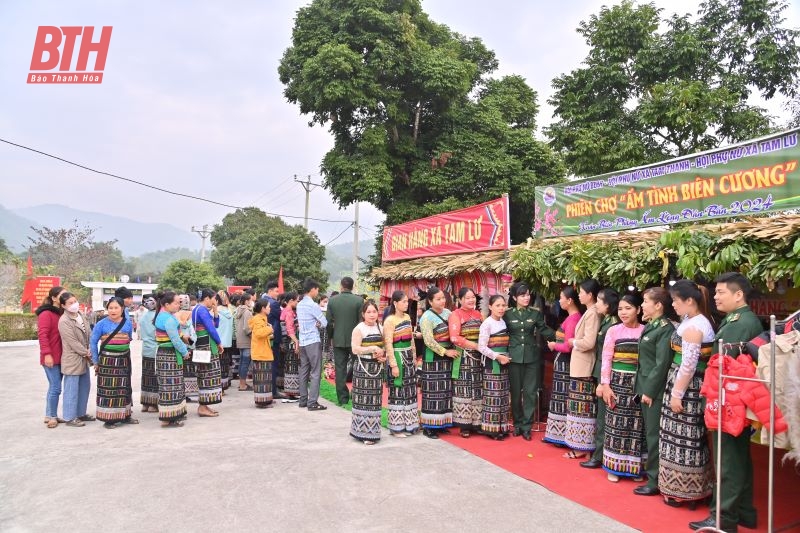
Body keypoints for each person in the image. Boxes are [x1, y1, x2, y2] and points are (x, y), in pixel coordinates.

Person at [689, 273, 762, 533]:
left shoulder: (740, 323)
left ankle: (722, 518)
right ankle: (744, 512)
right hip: (736, 400)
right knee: (738, 457)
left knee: (728, 460)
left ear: (738, 294)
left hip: (730, 400)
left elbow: (722, 364)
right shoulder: (737, 320)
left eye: (720, 292)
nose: (715, 297)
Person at [657, 280, 715, 507]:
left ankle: (688, 491)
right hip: (682, 382)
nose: (673, 305)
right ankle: (682, 489)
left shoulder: (695, 326)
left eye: (675, 301)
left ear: (690, 301)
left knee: (687, 438)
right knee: (682, 437)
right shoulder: (692, 321)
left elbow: (689, 364)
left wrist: (677, 394)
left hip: (688, 387)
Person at [631, 287, 676, 495]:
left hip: (653, 390)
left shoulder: (665, 328)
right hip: (645, 386)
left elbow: (661, 364)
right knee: (649, 433)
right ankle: (652, 475)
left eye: (645, 301)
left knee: (653, 435)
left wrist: (649, 390)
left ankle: (654, 480)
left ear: (658, 305)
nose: (642, 305)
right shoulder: (653, 326)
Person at [599, 293, 646, 482]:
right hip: (617, 381)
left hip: (637, 383)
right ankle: (614, 466)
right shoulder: (613, 331)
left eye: (628, 308)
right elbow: (606, 358)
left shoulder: (645, 330)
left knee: (636, 425)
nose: (623, 313)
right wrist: (605, 384)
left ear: (638, 310)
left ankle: (635, 468)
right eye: (620, 309)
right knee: (615, 424)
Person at [504, 282, 556, 441]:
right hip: (513, 357)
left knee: (530, 393)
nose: (526, 298)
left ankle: (527, 426)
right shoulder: (507, 314)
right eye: (522, 295)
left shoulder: (535, 313)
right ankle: (517, 424)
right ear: (514, 297)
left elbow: (544, 329)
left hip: (532, 358)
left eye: (528, 295)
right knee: (515, 391)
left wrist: (562, 337)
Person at [581, 288, 620, 468]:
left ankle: (598, 455)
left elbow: (606, 354)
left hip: (606, 375)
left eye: (599, 300)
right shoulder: (607, 321)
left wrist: (603, 380)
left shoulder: (612, 324)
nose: (596, 304)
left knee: (603, 417)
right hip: (601, 373)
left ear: (607, 305)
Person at [564, 279, 602, 458]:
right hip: (580, 365)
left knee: (583, 408)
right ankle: (580, 446)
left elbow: (589, 342)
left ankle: (582, 447)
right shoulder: (589, 312)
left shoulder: (593, 313)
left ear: (590, 295)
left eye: (581, 292)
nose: (578, 295)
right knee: (579, 407)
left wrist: (573, 342)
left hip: (585, 366)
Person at [544, 286, 582, 446]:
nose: (559, 301)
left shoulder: (573, 319)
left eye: (561, 297)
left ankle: (561, 435)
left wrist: (554, 345)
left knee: (562, 396)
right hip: (562, 363)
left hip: (565, 362)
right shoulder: (571, 317)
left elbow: (568, 346)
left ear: (569, 300)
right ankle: (558, 434)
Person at [90, 297, 136, 429]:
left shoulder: (127, 323)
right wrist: (96, 362)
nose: (113, 310)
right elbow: (93, 342)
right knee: (109, 389)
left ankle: (125, 415)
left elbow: (129, 339)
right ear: (107, 309)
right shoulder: (101, 324)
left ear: (122, 309)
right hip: (107, 361)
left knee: (124, 388)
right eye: (110, 308)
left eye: (116, 308)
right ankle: (109, 419)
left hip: (124, 360)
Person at [418, 286, 458, 438]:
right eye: (438, 299)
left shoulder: (449, 313)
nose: (442, 301)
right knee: (432, 392)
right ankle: (429, 426)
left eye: (443, 298)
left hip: (447, 358)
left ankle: (441, 423)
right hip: (433, 358)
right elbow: (428, 340)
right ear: (430, 301)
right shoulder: (426, 317)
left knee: (445, 391)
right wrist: (445, 351)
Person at [448, 287, 484, 438]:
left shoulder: (478, 314)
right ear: (460, 300)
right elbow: (454, 337)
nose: (471, 300)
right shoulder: (455, 315)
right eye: (467, 298)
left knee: (477, 389)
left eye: (473, 297)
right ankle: (464, 425)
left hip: (478, 358)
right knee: (464, 390)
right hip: (463, 358)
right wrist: (476, 346)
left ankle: (477, 423)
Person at [350, 300, 386, 445]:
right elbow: (355, 349)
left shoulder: (381, 328)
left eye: (374, 312)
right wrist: (372, 348)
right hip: (362, 368)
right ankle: (361, 432)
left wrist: (383, 356)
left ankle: (373, 432)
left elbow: (385, 347)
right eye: (369, 312)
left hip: (376, 368)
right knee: (363, 400)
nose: (372, 315)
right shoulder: (359, 329)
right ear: (363, 314)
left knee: (375, 400)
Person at [383, 290, 418, 436]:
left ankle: (410, 425)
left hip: (408, 357)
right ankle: (396, 428)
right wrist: (393, 364)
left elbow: (411, 339)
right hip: (397, 357)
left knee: (409, 391)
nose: (406, 304)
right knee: (397, 391)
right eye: (403, 301)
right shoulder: (389, 321)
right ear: (395, 303)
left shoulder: (408, 317)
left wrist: (414, 357)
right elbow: (388, 344)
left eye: (406, 301)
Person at [477, 294, 512, 440]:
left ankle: (502, 427)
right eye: (497, 305)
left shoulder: (504, 322)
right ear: (490, 307)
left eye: (503, 305)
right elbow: (481, 347)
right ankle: (491, 429)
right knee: (493, 395)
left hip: (504, 362)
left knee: (503, 396)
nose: (501, 308)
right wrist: (497, 357)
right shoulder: (487, 323)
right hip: (492, 363)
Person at [326, 277, 364, 405]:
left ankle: (342, 398)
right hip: (356, 341)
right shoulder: (359, 301)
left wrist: (330, 338)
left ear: (341, 286)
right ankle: (356, 393)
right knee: (358, 367)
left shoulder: (332, 301)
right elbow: (361, 322)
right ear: (352, 287)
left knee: (340, 369)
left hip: (338, 339)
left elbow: (329, 323)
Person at [57, 292, 94, 427]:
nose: (74, 304)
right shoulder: (64, 321)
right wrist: (86, 352)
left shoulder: (81, 315)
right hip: (73, 358)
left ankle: (80, 413)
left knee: (84, 387)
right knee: (71, 389)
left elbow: (89, 332)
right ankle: (69, 417)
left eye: (75, 301)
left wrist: (91, 348)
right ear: (63, 306)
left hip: (84, 357)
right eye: (70, 303)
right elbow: (72, 341)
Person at [153, 291, 189, 427]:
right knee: (171, 385)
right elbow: (175, 339)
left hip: (164, 353)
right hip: (170, 355)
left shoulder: (162, 315)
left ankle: (168, 416)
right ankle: (170, 417)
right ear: (167, 304)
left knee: (166, 385)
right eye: (176, 303)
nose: (178, 305)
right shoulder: (168, 318)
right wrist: (185, 352)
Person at [36, 286, 66, 428]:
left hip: (61, 356)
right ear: (54, 298)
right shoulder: (46, 314)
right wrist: (47, 354)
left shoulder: (62, 313)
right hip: (51, 357)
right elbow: (42, 335)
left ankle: (49, 414)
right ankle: (53, 416)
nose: (65, 296)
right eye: (62, 294)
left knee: (53, 386)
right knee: (56, 387)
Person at [296, 278, 328, 411]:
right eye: (317, 289)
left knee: (304, 370)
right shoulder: (313, 305)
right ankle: (313, 402)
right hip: (313, 341)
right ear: (313, 289)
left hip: (303, 341)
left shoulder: (299, 304)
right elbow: (324, 322)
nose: (318, 292)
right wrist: (318, 324)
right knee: (315, 371)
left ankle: (303, 400)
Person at [192, 288, 225, 417]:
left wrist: (215, 309)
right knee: (207, 375)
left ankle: (204, 406)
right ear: (206, 298)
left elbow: (216, 324)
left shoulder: (198, 310)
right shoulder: (201, 310)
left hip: (202, 345)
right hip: (206, 346)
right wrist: (218, 342)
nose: (214, 302)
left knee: (204, 374)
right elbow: (212, 329)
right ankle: (202, 406)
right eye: (213, 299)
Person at [249, 298, 275, 408]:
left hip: (264, 352)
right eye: (268, 306)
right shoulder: (258, 319)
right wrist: (270, 329)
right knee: (262, 380)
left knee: (265, 379)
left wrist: (269, 334)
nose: (270, 308)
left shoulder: (262, 318)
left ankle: (266, 399)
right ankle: (261, 402)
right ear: (263, 308)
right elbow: (259, 333)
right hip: (260, 354)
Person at [262, 281, 285, 400]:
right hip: (273, 336)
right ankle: (273, 391)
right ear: (270, 291)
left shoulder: (262, 301)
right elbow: (281, 317)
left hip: (265, 336)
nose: (278, 293)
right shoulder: (273, 304)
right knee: (273, 364)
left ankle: (269, 389)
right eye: (276, 291)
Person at [138, 294, 159, 413]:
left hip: (145, 349)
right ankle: (153, 405)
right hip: (155, 350)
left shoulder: (144, 316)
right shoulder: (157, 317)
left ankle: (145, 404)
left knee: (146, 376)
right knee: (154, 377)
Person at [177, 294, 199, 402]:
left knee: (181, 372)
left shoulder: (174, 315)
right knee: (191, 372)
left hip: (179, 348)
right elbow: (192, 333)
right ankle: (191, 394)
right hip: (190, 347)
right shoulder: (191, 313)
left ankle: (182, 394)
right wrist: (191, 343)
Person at [280, 292, 300, 400]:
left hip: (286, 341)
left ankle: (290, 391)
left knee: (289, 365)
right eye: (297, 300)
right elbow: (290, 329)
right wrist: (296, 341)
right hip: (290, 341)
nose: (297, 303)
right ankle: (291, 392)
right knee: (292, 366)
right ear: (291, 301)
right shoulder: (288, 312)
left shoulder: (285, 311)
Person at [215, 291, 234, 392]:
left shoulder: (215, 311)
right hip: (227, 342)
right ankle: (223, 387)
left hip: (218, 342)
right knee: (224, 365)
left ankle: (218, 388)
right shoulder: (230, 311)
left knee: (217, 366)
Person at [235, 292, 253, 392]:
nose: (252, 302)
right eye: (251, 300)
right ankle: (242, 385)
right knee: (245, 363)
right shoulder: (247, 312)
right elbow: (247, 328)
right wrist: (253, 336)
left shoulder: (239, 310)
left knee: (242, 362)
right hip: (246, 340)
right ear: (247, 301)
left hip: (240, 340)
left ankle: (242, 383)